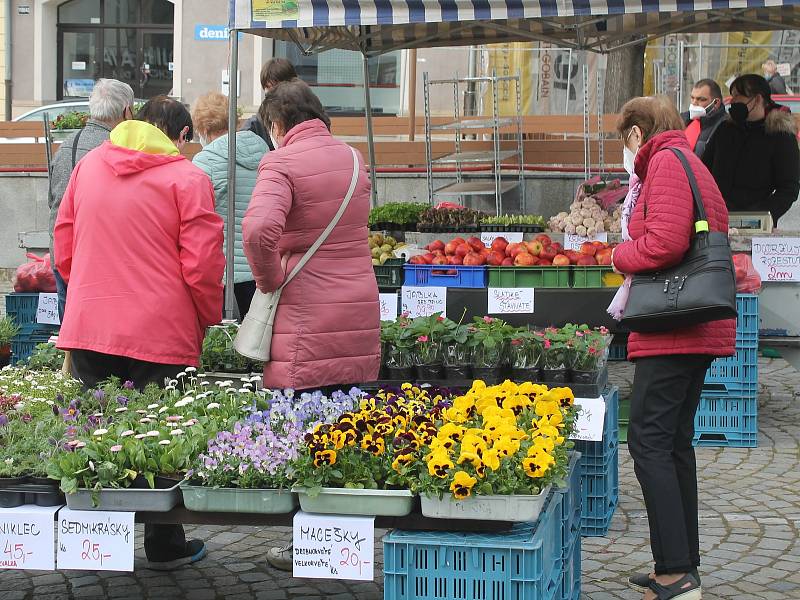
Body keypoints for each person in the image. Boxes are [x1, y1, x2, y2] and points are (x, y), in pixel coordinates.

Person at [54, 95, 225, 570]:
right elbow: (203, 265)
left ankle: (93, 545)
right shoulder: (188, 179)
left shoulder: (88, 168)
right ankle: (163, 544)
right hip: (161, 328)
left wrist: (89, 288)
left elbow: (64, 242)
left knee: (93, 432)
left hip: (91, 322)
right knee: (163, 437)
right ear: (180, 136)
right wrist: (206, 317)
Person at [242, 80, 380, 571]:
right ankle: (344, 545)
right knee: (350, 430)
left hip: (305, 313)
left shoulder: (279, 163)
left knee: (303, 432)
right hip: (357, 306)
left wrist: (270, 276)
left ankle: (314, 548)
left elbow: (259, 230)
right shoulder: (353, 157)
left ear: (277, 126)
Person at [610, 96, 735, 600]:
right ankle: (682, 561)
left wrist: (618, 253)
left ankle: (675, 573)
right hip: (694, 326)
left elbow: (663, 243)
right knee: (675, 444)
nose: (626, 150)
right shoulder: (692, 162)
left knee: (649, 442)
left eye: (624, 139)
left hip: (673, 328)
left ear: (637, 133)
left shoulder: (663, 162)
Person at [48, 78, 135, 322]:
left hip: (66, 258)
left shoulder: (66, 147)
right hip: (106, 265)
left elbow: (53, 202)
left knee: (72, 343)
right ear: (127, 111)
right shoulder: (123, 150)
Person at [192, 92, 268, 318]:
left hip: (226, 272)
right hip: (260, 265)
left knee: (224, 342)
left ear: (203, 130)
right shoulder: (262, 150)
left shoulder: (206, 161)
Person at [703, 74, 800, 225]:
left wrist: (761, 215)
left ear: (758, 99)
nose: (733, 101)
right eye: (732, 96)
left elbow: (789, 188)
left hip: (755, 224)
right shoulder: (725, 129)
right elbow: (703, 168)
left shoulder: (780, 136)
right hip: (715, 218)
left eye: (739, 96)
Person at [240, 57, 298, 147]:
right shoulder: (254, 126)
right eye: (268, 87)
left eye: (276, 86)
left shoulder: (305, 120)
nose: (272, 93)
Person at [681, 78, 726, 159]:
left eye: (701, 99)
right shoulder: (682, 120)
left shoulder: (724, 126)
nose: (694, 103)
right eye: (692, 98)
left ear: (716, 103)